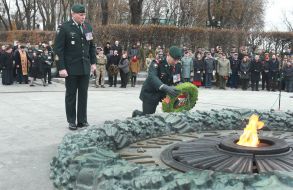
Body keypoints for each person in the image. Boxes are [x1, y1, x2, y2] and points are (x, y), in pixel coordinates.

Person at [54, 4, 97, 130]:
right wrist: (61, 67)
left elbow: (91, 46)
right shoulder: (64, 27)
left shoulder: (87, 27)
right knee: (71, 95)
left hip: (84, 67)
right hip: (71, 68)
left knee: (83, 94)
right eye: (80, 14)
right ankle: (72, 120)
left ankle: (82, 120)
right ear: (73, 14)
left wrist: (93, 63)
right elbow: (58, 49)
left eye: (84, 15)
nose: (83, 17)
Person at [132, 46, 182, 117]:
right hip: (151, 93)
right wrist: (165, 87)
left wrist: (180, 87)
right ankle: (136, 114)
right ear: (168, 55)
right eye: (174, 59)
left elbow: (177, 79)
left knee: (177, 105)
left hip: (164, 93)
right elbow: (152, 77)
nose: (176, 62)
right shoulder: (157, 63)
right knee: (148, 117)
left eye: (178, 60)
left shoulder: (177, 66)